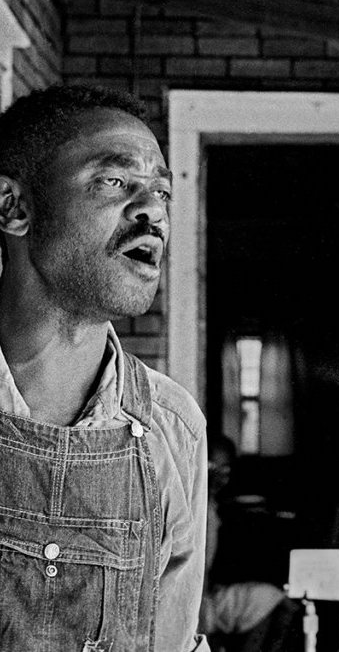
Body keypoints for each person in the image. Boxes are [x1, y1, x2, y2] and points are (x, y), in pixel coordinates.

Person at [0, 85, 208, 651]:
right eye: (115, 181)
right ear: (14, 207)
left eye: (161, 191)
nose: (153, 211)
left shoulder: (171, 426)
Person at [201, 436, 301, 652]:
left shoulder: (211, 504)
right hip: (196, 604)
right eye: (211, 466)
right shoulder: (198, 507)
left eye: (225, 469)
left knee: (277, 601)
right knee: (272, 600)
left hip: (208, 596)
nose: (219, 475)